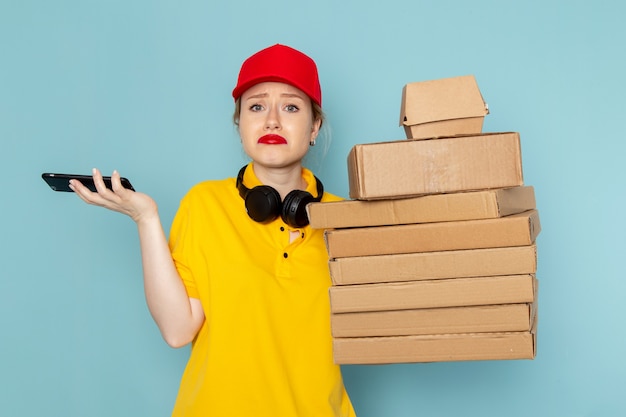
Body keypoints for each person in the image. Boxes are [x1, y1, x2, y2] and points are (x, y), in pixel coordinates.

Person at [70, 44, 356, 417]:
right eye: (256, 106)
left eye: (290, 107)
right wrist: (147, 220)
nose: (272, 120)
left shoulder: (346, 221)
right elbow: (177, 330)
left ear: (314, 126)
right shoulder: (204, 204)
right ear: (239, 124)